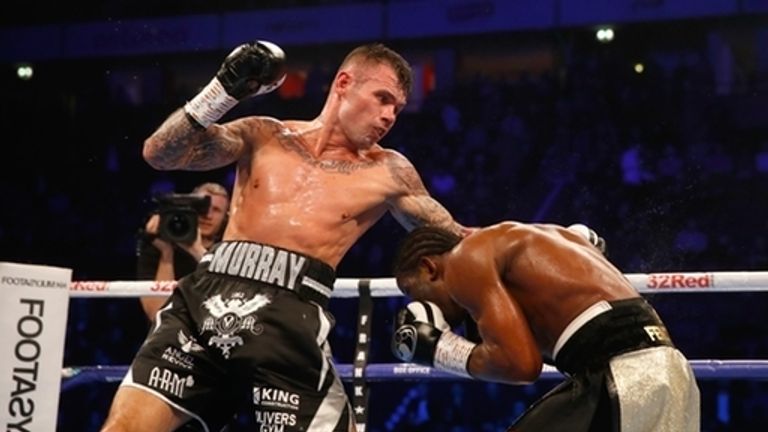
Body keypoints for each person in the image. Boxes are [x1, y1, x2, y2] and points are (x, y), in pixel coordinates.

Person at [101, 40, 470, 432]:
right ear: (344, 83)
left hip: (291, 320)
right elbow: (160, 154)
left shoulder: (390, 171)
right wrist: (221, 91)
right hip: (204, 304)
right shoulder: (264, 134)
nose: (389, 116)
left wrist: (534, 239)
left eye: (396, 108)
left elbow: (454, 236)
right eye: (382, 99)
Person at [390, 222, 700, 431]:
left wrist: (438, 348)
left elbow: (521, 366)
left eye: (411, 291)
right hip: (659, 371)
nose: (416, 304)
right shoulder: (534, 239)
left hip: (626, 376)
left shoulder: (463, 260)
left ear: (429, 268)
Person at [136, 182, 230, 321]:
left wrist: (196, 251)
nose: (208, 215)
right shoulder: (157, 247)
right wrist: (166, 255)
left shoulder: (229, 250)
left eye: (216, 210)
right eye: (202, 208)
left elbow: (230, 297)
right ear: (189, 208)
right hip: (168, 336)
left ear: (225, 217)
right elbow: (156, 313)